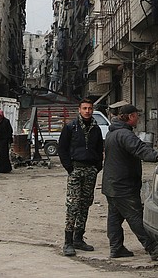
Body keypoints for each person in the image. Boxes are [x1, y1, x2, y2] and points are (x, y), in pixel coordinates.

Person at [102, 104, 158, 260]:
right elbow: (140, 149)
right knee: (135, 216)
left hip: (111, 184)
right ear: (130, 117)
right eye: (137, 116)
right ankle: (152, 247)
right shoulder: (125, 135)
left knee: (114, 218)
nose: (138, 119)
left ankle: (116, 248)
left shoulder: (112, 134)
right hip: (123, 186)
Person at [57, 99, 104, 256]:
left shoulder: (96, 129)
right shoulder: (71, 127)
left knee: (85, 204)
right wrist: (69, 167)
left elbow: (99, 148)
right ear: (79, 110)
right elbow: (62, 148)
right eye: (84, 108)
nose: (87, 111)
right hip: (76, 169)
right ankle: (68, 242)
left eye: (90, 108)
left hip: (90, 170)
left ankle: (78, 238)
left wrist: (97, 166)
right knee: (73, 205)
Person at [0, 109, 13, 173]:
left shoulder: (6, 121)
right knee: (0, 154)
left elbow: (9, 131)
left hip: (4, 141)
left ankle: (5, 169)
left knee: (4, 154)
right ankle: (0, 168)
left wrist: (1, 136)